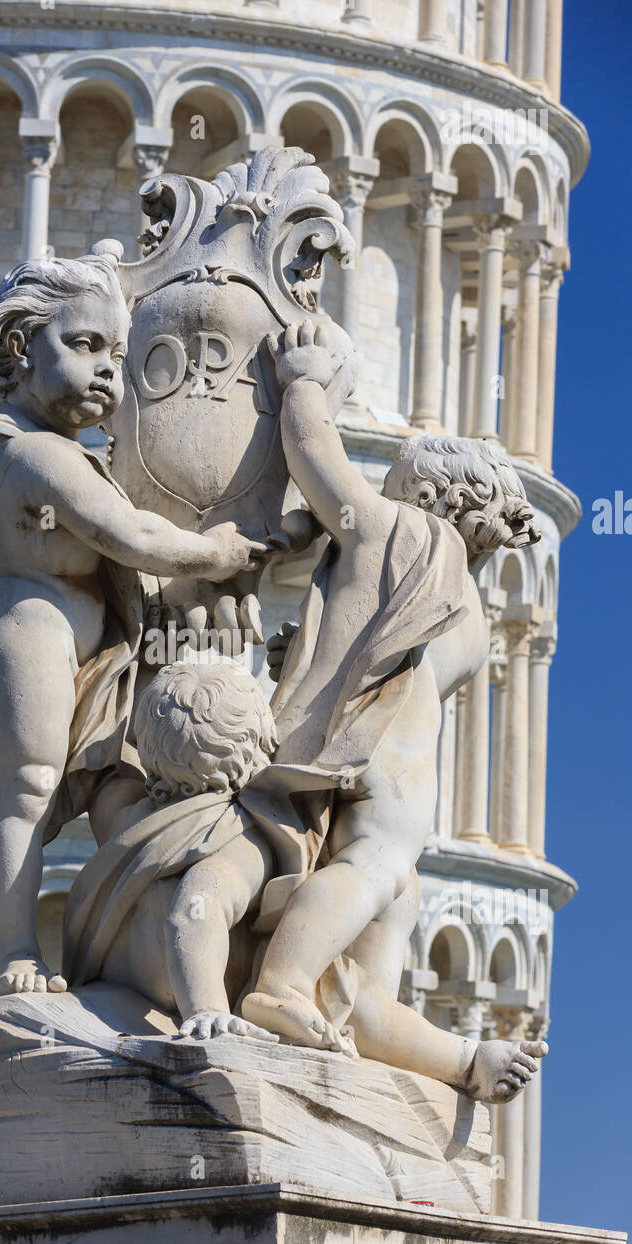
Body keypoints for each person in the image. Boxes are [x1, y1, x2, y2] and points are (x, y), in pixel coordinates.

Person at [0, 249, 264, 994]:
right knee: (27, 792)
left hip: (90, 649)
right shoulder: (37, 456)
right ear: (19, 348)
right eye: (84, 346)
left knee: (71, 795)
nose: (108, 370)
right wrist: (217, 552)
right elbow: (132, 539)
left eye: (118, 353)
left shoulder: (56, 452)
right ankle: (14, 954)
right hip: (30, 637)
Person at [240, 320, 541, 1050]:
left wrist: (305, 382)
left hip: (367, 758)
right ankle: (342, 1005)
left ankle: (285, 984)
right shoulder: (464, 599)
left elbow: (317, 461)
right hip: (400, 774)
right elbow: (381, 650)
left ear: (425, 499)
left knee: (373, 874)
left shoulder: (404, 539)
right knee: (388, 883)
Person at [64, 658, 546, 1104]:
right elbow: (197, 906)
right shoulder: (235, 836)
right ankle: (465, 1062)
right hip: (194, 986)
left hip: (118, 975)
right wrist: (208, 1010)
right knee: (343, 988)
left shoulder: (129, 817)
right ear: (256, 750)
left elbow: (104, 778)